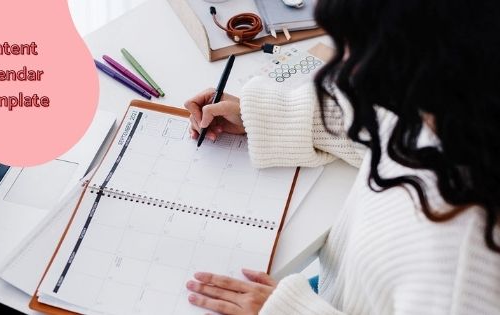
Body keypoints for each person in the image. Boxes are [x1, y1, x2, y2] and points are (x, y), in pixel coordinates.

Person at [182, 0, 500, 314]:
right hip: (346, 289)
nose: (344, 66)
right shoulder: (456, 106)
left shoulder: (460, 276)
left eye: (361, 48)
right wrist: (262, 115)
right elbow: (379, 122)